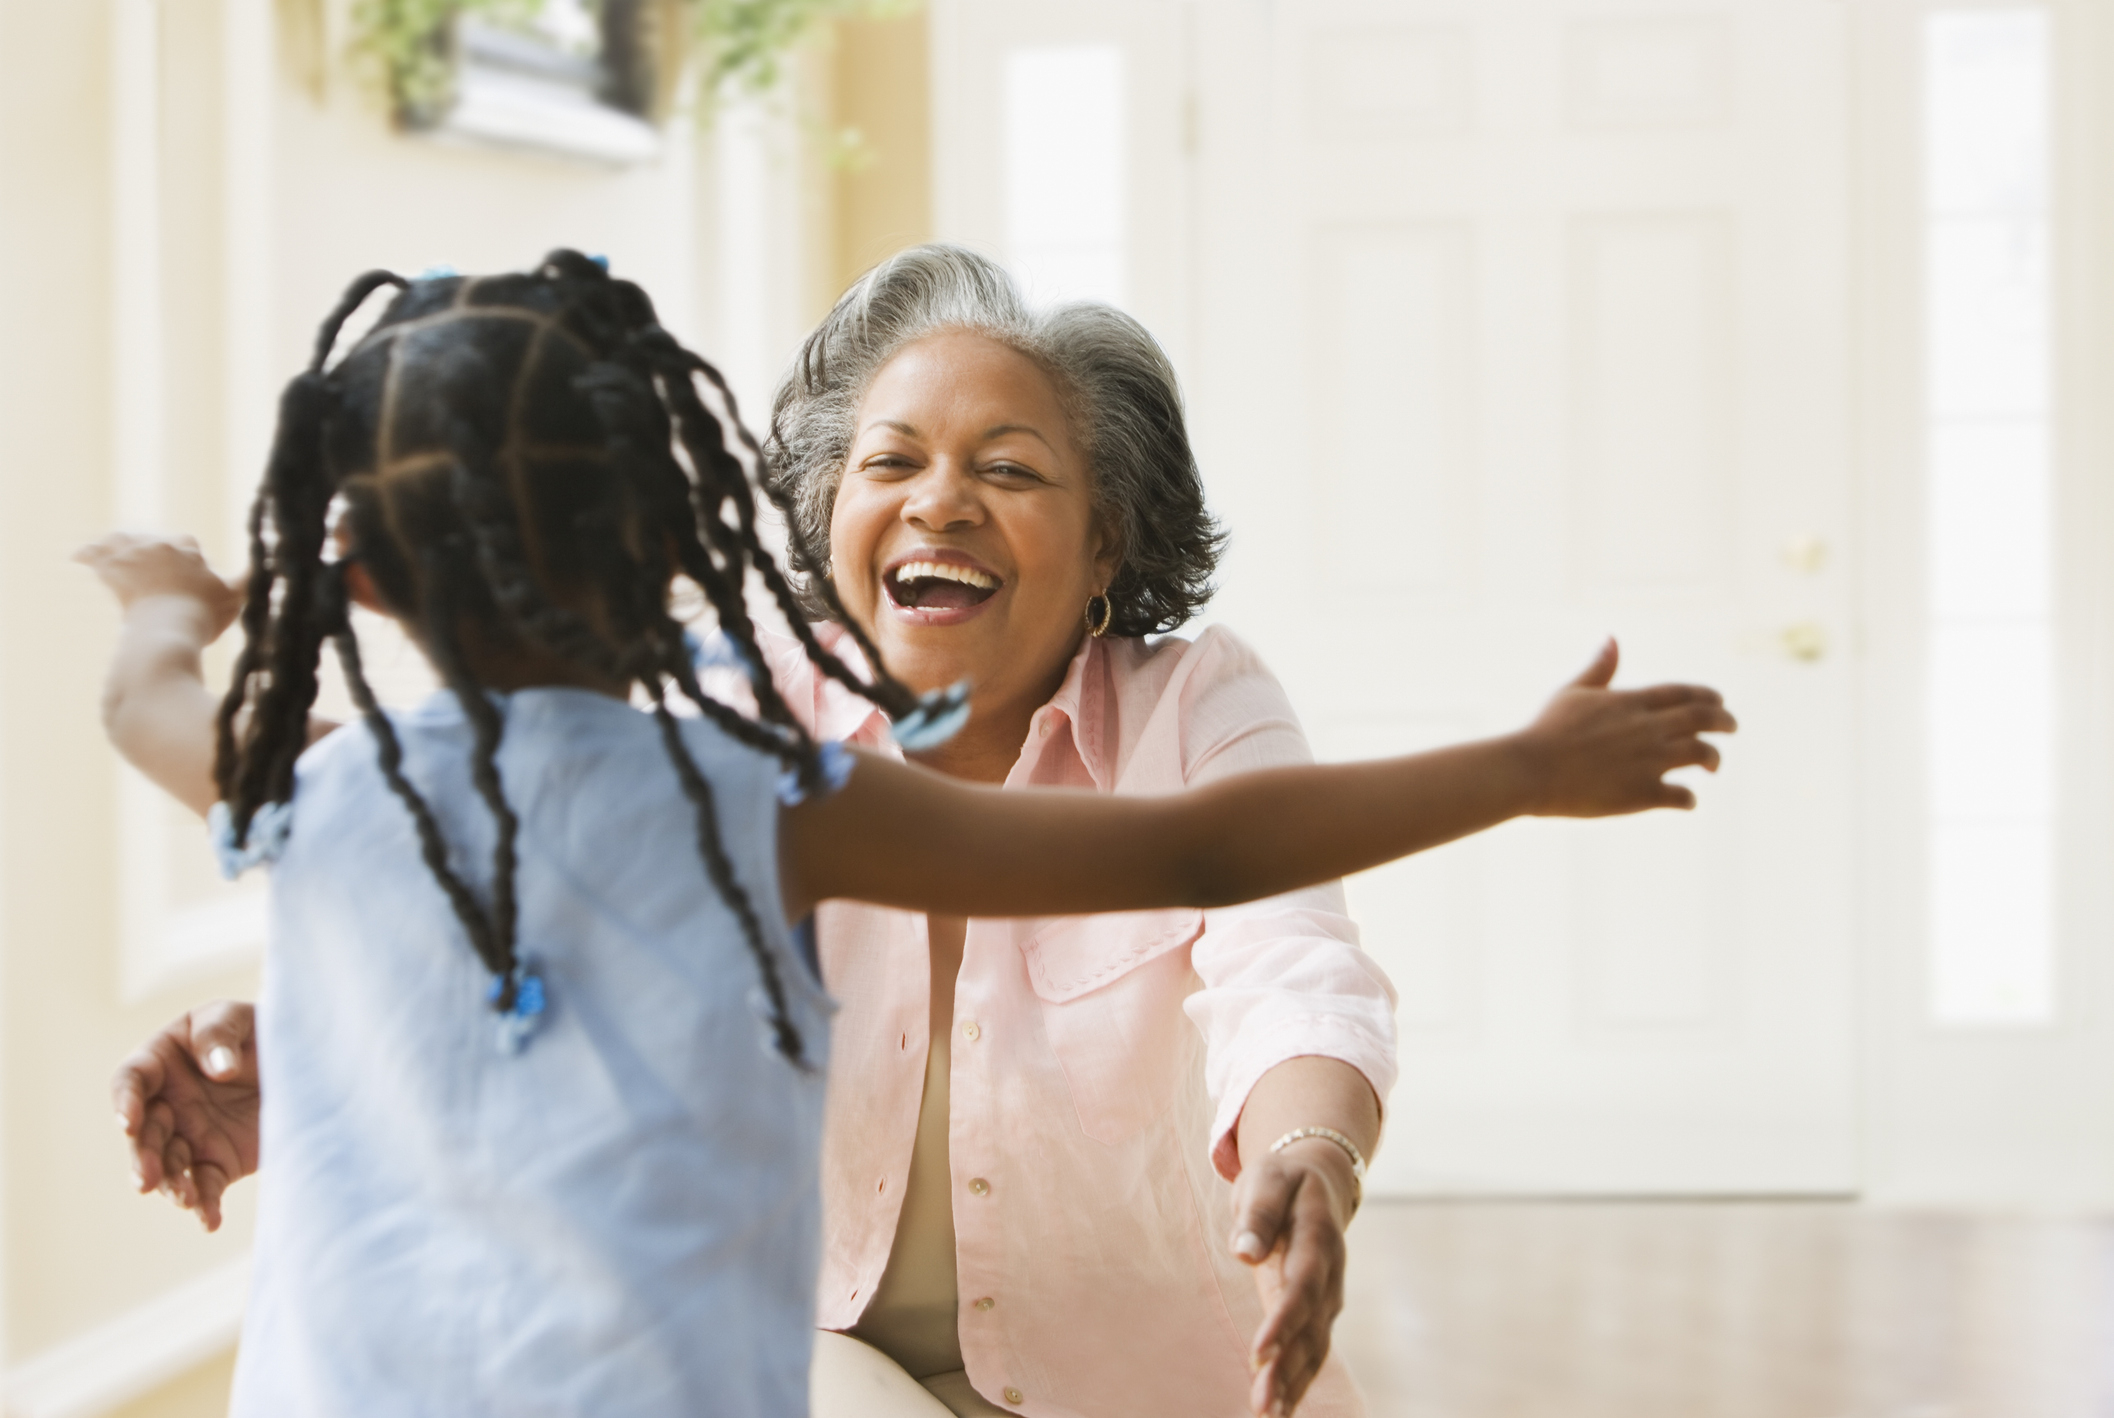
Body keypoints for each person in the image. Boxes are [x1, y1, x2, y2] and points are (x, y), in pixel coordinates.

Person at [92, 247, 1737, 1417]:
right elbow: (530, 917)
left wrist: (1310, 1152)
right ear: (794, 523)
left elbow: (1283, 945)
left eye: (1006, 469)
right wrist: (323, 1049)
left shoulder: (1186, 699)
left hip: (1137, 1369)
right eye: (893, 461)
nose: (940, 499)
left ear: (1108, 544)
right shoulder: (735, 752)